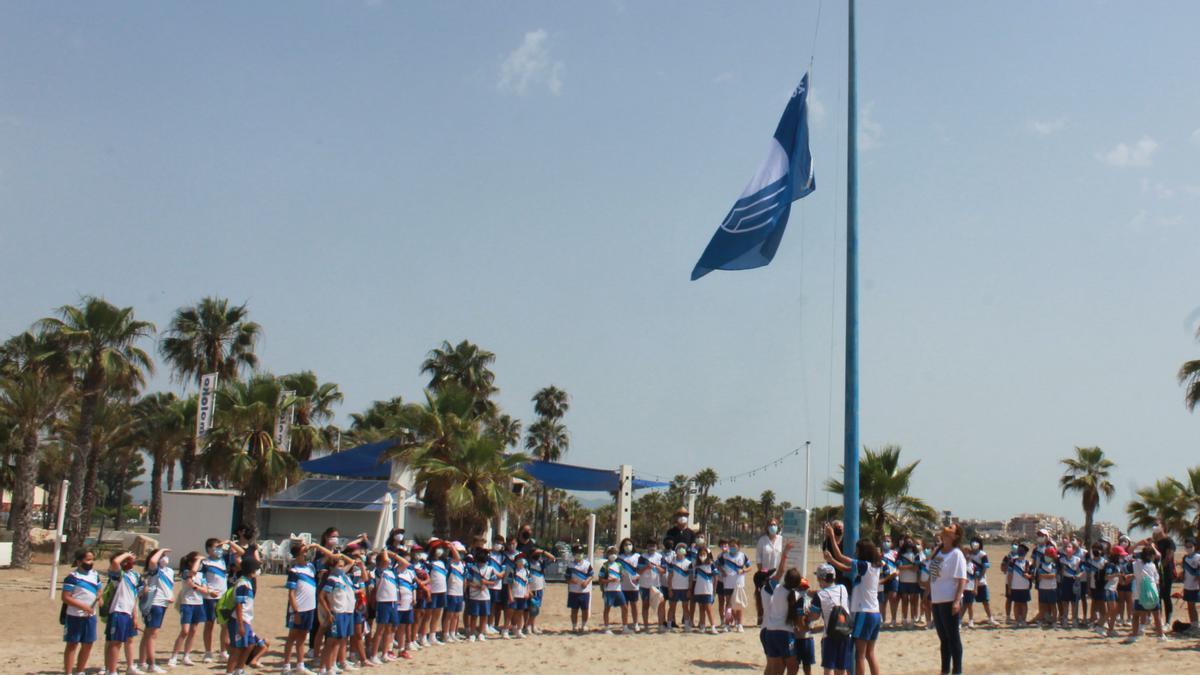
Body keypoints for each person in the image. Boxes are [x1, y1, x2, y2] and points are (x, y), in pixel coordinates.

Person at [822, 523, 881, 675]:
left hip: (864, 613)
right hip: (875, 613)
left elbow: (841, 557)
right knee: (870, 654)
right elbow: (845, 568)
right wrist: (831, 560)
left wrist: (831, 537)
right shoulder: (874, 566)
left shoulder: (864, 565)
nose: (855, 552)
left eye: (857, 550)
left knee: (859, 655)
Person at [929, 523, 968, 675]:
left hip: (949, 599)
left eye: (951, 528)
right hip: (937, 600)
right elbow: (933, 575)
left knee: (953, 637)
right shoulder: (939, 553)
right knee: (943, 638)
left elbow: (962, 579)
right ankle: (944, 670)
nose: (947, 529)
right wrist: (927, 593)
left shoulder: (956, 554)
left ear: (955, 536)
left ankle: (957, 671)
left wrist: (957, 601)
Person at [757, 540, 799, 675]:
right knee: (787, 667)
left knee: (774, 667)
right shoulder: (777, 589)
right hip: (779, 631)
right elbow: (780, 572)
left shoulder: (773, 589)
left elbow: (780, 573)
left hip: (769, 630)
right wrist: (785, 554)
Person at [200, 537, 242, 663]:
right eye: (215, 547)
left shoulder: (224, 559)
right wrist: (208, 591)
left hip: (223, 598)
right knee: (209, 624)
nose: (218, 550)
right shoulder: (205, 563)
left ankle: (223, 651)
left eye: (219, 547)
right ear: (208, 549)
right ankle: (208, 652)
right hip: (210, 598)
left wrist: (230, 543)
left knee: (225, 625)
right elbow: (201, 579)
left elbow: (241, 553)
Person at [282, 542, 320, 674]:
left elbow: (332, 556)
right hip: (298, 608)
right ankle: (286, 665)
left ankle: (300, 664)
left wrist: (317, 547)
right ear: (298, 554)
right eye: (304, 550)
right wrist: (296, 610)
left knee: (303, 637)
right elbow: (291, 593)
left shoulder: (311, 567)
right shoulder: (294, 571)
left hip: (310, 607)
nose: (307, 552)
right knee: (292, 636)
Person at [807, 563, 851, 675]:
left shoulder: (820, 595)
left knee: (829, 667)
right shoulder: (843, 588)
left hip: (830, 634)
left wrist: (808, 613)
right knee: (842, 668)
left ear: (821, 578)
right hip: (845, 632)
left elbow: (815, 616)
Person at [62, 548, 100, 675]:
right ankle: (68, 672)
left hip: (90, 616)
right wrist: (84, 606)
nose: (90, 562)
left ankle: (80, 671)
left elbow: (99, 590)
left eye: (92, 560)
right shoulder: (72, 577)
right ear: (79, 561)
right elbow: (66, 597)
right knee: (72, 644)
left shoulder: (95, 575)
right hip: (75, 616)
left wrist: (100, 599)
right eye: (88, 559)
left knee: (88, 644)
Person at [318, 554, 357, 673]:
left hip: (345, 612)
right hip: (337, 612)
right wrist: (328, 612)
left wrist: (340, 555)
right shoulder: (332, 579)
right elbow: (321, 596)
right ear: (333, 567)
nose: (342, 568)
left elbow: (351, 562)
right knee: (330, 641)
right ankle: (324, 668)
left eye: (342, 566)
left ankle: (331, 665)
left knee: (339, 640)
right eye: (339, 566)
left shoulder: (343, 577)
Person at [104, 551, 141, 675]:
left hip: (129, 612)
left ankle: (130, 667)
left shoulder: (134, 575)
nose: (133, 560)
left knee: (129, 640)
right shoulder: (118, 574)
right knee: (116, 642)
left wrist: (135, 616)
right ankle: (112, 671)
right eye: (130, 559)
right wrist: (126, 554)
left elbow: (134, 597)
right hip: (118, 611)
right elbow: (115, 562)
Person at [1124, 539, 1168, 643]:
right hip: (1152, 594)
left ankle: (1134, 636)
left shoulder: (1136, 564)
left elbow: (1128, 553)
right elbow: (1157, 581)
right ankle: (1161, 636)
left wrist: (1139, 543)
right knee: (1157, 616)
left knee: (1136, 616)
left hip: (1139, 594)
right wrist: (1152, 545)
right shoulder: (1152, 566)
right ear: (1151, 556)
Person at [226, 558, 264, 675]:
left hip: (246, 619)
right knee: (237, 649)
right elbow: (238, 605)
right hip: (239, 620)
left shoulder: (247, 582)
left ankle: (239, 669)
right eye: (257, 568)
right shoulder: (242, 583)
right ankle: (229, 672)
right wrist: (241, 625)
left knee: (250, 644)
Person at [137, 548, 172, 674]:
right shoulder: (154, 571)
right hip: (154, 603)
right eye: (162, 556)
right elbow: (152, 561)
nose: (165, 558)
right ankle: (151, 664)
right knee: (152, 634)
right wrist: (161, 549)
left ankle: (142, 662)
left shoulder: (169, 571)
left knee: (148, 633)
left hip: (163, 604)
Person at [755, 518, 785, 627]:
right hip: (765, 575)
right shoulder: (762, 540)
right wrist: (762, 573)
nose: (773, 527)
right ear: (767, 527)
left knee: (778, 597)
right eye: (771, 524)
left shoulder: (782, 539)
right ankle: (763, 618)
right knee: (764, 597)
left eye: (775, 524)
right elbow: (758, 558)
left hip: (779, 575)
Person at [719, 537, 752, 632]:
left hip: (739, 584)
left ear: (739, 546)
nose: (732, 547)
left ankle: (739, 624)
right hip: (728, 583)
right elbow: (717, 564)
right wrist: (722, 572)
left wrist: (743, 570)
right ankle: (727, 624)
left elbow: (750, 567)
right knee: (728, 603)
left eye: (734, 546)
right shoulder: (725, 556)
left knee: (738, 605)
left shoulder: (743, 556)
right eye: (730, 546)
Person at [637, 538, 666, 633]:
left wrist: (656, 566)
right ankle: (645, 626)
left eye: (654, 545)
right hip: (644, 585)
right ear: (647, 546)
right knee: (645, 605)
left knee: (661, 605)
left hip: (657, 585)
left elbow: (663, 571)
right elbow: (638, 571)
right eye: (650, 545)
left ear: (657, 546)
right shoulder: (642, 557)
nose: (652, 547)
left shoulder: (660, 557)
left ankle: (660, 625)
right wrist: (646, 567)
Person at [966, 537, 996, 627]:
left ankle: (990, 618)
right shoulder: (969, 554)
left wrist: (979, 578)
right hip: (970, 583)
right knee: (968, 603)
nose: (974, 544)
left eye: (976, 542)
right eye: (972, 542)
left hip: (981, 582)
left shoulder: (983, 554)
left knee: (985, 601)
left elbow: (985, 567)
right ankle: (969, 620)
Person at [1152, 524, 1177, 624]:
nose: (1155, 527)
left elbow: (1168, 557)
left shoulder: (1169, 541)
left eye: (1157, 525)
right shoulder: (1157, 542)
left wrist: (1159, 568)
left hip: (1166, 572)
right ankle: (1159, 621)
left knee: (1166, 596)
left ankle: (1168, 621)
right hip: (1156, 573)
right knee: (1157, 597)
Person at [565, 545, 593, 634]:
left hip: (584, 591)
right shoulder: (570, 565)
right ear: (573, 554)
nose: (579, 555)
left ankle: (584, 625)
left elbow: (591, 575)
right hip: (574, 591)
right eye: (577, 553)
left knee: (585, 609)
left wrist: (587, 582)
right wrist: (570, 580)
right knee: (574, 610)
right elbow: (567, 577)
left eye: (580, 553)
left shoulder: (587, 564)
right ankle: (574, 626)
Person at [442, 542, 467, 641]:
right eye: (458, 551)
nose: (460, 554)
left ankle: (453, 633)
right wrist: (452, 547)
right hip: (451, 592)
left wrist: (464, 591)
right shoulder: (449, 562)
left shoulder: (462, 564)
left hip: (459, 593)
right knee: (449, 614)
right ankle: (445, 634)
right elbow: (457, 558)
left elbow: (464, 579)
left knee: (456, 615)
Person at [666, 542, 693, 632]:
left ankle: (686, 625)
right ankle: (669, 625)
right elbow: (669, 577)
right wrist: (669, 589)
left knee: (685, 607)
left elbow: (690, 578)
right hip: (674, 589)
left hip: (685, 589)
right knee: (672, 607)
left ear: (685, 551)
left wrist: (689, 589)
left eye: (683, 548)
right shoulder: (672, 562)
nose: (681, 549)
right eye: (679, 548)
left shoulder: (689, 563)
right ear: (676, 550)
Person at [692, 545, 718, 634]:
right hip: (699, 589)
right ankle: (702, 626)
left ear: (707, 554)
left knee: (708, 609)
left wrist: (714, 589)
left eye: (704, 554)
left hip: (708, 589)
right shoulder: (697, 565)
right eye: (700, 554)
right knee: (701, 608)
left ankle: (713, 626)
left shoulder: (711, 564)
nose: (702, 555)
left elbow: (716, 577)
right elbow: (694, 578)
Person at [896, 538, 921, 628]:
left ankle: (913, 620)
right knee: (905, 601)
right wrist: (911, 566)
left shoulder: (916, 554)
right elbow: (899, 566)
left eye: (911, 541)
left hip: (914, 581)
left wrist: (906, 566)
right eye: (907, 542)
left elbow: (916, 568)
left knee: (913, 601)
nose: (909, 543)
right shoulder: (900, 554)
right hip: (903, 580)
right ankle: (904, 619)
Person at [1006, 544, 1032, 627]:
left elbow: (1032, 575)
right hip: (1015, 586)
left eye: (1022, 550)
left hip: (1025, 587)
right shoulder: (1013, 562)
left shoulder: (1028, 563)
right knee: (1016, 604)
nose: (1020, 551)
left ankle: (1023, 620)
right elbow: (1009, 575)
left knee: (1024, 604)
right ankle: (1017, 620)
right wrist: (1009, 587)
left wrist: (1029, 576)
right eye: (1019, 549)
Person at [1033, 546, 1059, 628]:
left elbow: (1053, 575)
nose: (1047, 556)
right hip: (1042, 587)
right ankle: (1041, 620)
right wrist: (1046, 576)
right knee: (1042, 605)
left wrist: (1044, 576)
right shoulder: (1041, 564)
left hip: (1052, 587)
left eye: (1049, 555)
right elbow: (1039, 575)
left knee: (1053, 605)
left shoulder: (1054, 564)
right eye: (1046, 554)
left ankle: (1054, 621)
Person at [506, 554, 531, 638]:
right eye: (520, 559)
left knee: (520, 613)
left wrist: (527, 592)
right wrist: (510, 595)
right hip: (514, 595)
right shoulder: (513, 571)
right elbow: (509, 585)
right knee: (510, 613)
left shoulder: (527, 572)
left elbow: (528, 584)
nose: (522, 561)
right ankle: (505, 630)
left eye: (523, 559)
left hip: (523, 596)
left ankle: (519, 630)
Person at [878, 536, 900, 627]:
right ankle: (883, 620)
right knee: (883, 601)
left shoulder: (895, 553)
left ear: (891, 543)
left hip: (893, 579)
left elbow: (899, 565)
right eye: (884, 541)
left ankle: (893, 620)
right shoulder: (879, 554)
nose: (886, 543)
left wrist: (897, 572)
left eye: (888, 541)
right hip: (882, 579)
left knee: (893, 599)